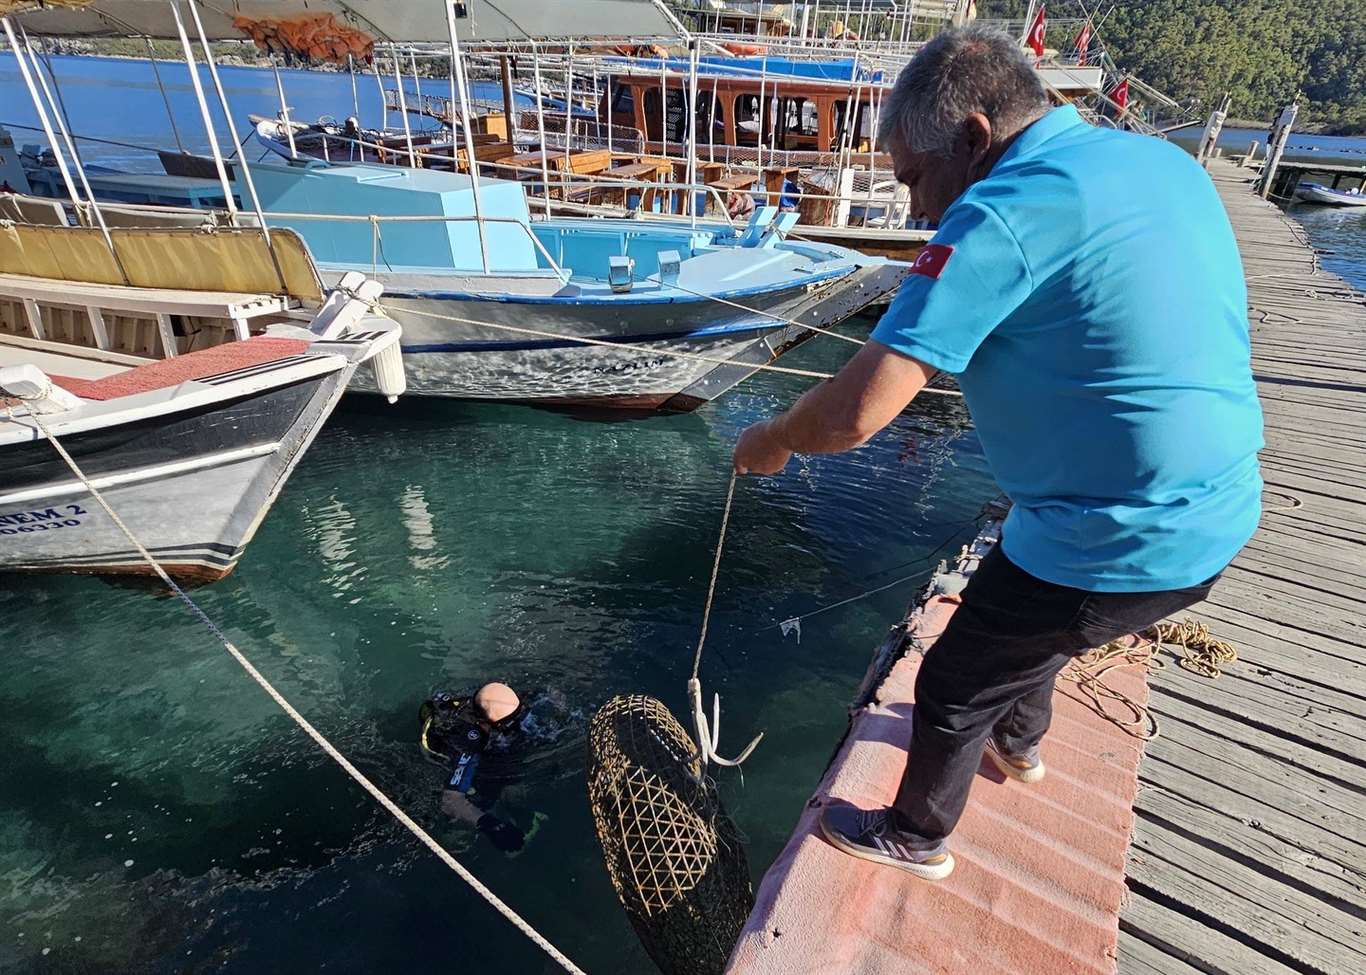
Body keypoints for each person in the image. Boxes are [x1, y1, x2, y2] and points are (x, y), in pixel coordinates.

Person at [732, 25, 1263, 882]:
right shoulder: (1162, 164)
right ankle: (1020, 747)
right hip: (1222, 508)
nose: (912, 210)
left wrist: (774, 437)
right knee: (1026, 622)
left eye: (912, 178)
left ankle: (915, 836)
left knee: (953, 683)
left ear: (975, 139)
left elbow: (858, 412)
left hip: (1119, 536)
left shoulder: (998, 213)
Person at [419, 682, 528, 852]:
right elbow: (450, 801)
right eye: (510, 724)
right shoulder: (469, 746)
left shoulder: (486, 704)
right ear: (485, 724)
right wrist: (492, 825)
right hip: (447, 760)